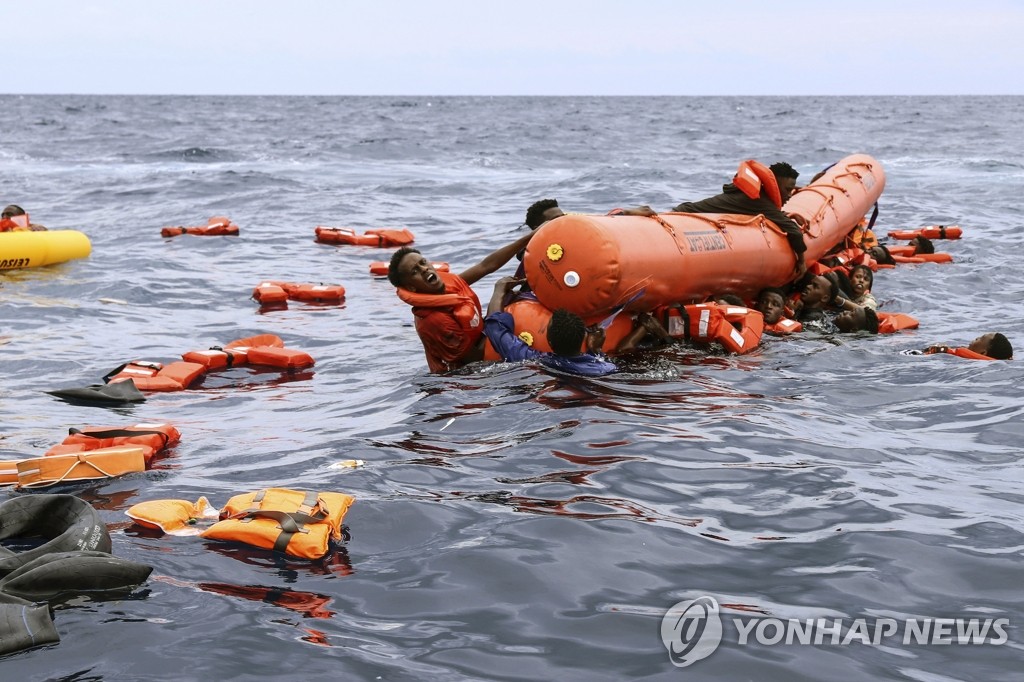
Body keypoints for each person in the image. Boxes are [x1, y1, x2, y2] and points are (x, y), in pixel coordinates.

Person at [388, 231, 536, 373]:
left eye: (423, 262)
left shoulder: (446, 286)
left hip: (484, 343)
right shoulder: (434, 320)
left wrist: (529, 237)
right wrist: (498, 294)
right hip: (469, 378)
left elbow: (486, 266)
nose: (424, 269)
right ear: (411, 287)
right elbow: (475, 359)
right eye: (415, 271)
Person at [671, 161, 808, 279]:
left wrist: (785, 214)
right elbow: (794, 231)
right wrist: (801, 261)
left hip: (684, 211)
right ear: (775, 185)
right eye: (787, 189)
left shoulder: (755, 196)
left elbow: (766, 213)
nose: (790, 195)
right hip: (681, 216)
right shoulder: (758, 200)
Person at [483, 277, 618, 376]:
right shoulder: (606, 368)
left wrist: (499, 290)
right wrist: (596, 351)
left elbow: (495, 329)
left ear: (549, 341)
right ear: (584, 337)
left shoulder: (534, 361)